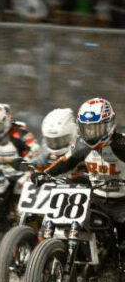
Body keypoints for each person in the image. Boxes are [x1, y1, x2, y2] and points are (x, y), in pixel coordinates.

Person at [36, 98, 125, 241]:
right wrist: (44, 174)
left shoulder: (122, 143)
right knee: (72, 220)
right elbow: (65, 162)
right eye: (87, 129)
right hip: (96, 199)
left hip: (122, 202)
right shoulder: (82, 146)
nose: (91, 134)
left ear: (109, 125)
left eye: (96, 128)